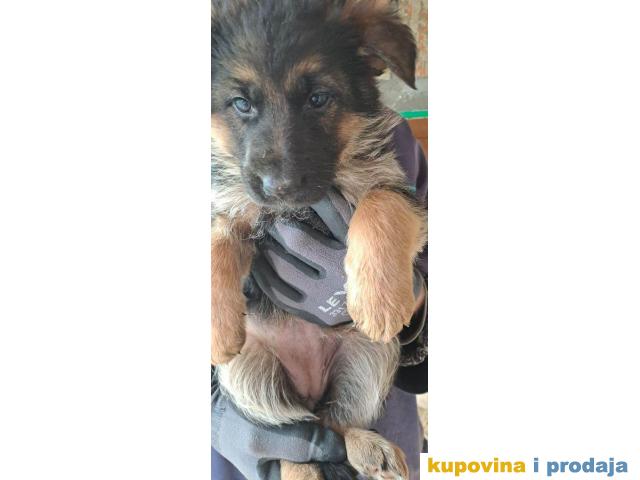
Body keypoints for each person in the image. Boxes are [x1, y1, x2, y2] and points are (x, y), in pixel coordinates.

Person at [212, 118, 427, 480]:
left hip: (371, 396)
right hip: (250, 421)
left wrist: (415, 305)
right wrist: (218, 415)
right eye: (243, 104)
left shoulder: (387, 133)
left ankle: (347, 435)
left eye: (317, 98)